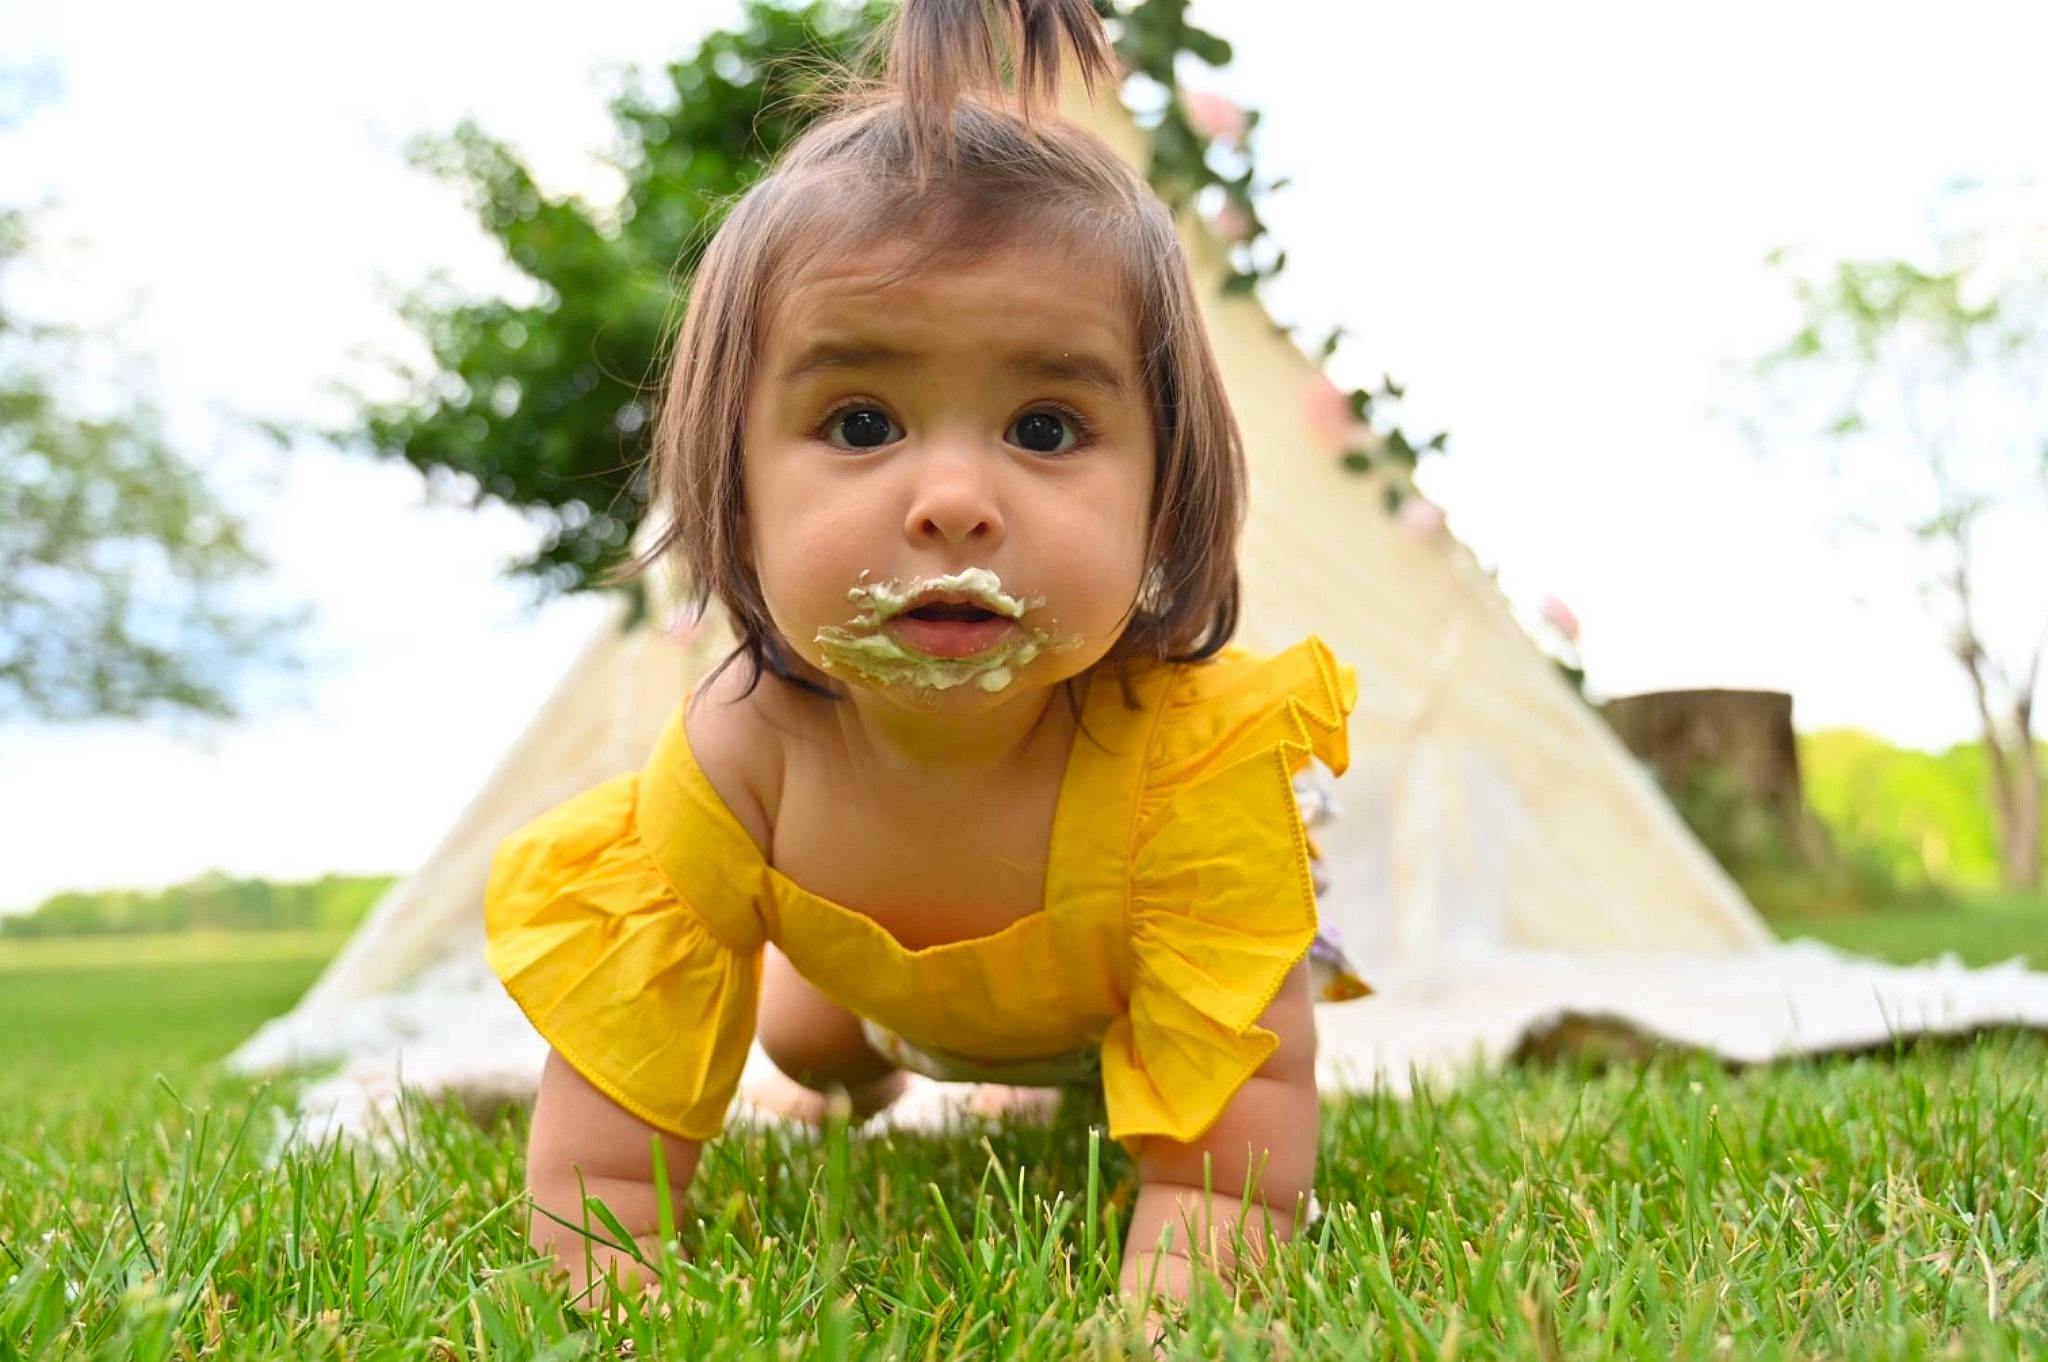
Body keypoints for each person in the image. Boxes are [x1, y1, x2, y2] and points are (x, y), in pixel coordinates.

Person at [482, 0, 1368, 1320]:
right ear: (731, 480)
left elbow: (1231, 1172)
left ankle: (1049, 1074)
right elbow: (619, 1092)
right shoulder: (742, 756)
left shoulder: (1193, 775)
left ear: (1168, 489)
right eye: (861, 422)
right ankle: (857, 1049)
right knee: (804, 1040)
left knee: (1157, 1072)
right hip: (863, 988)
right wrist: (598, 1268)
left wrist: (1185, 1288)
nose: (954, 501)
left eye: (1046, 427)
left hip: (1123, 993)